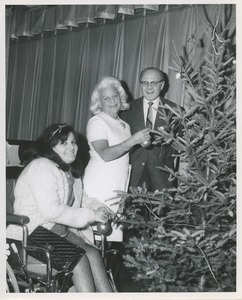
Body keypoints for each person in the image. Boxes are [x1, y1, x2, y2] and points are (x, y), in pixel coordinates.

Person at [7, 123, 115, 292]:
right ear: (51, 146)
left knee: (93, 254)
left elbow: (82, 200)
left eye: (73, 142)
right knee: (79, 260)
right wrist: (92, 215)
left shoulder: (70, 171)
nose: (71, 147)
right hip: (30, 234)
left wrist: (100, 208)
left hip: (56, 233)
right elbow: (52, 211)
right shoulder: (41, 166)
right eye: (63, 143)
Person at [83, 76, 151, 242]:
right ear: (99, 102)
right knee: (96, 238)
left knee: (111, 241)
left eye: (115, 96)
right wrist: (132, 141)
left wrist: (141, 143)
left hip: (117, 187)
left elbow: (122, 155)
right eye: (106, 98)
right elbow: (105, 154)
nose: (112, 101)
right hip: (100, 186)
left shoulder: (124, 125)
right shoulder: (97, 121)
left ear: (121, 98)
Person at [120, 67, 179, 192]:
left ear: (162, 85)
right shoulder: (128, 110)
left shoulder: (175, 110)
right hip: (133, 177)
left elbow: (179, 146)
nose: (149, 87)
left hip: (162, 177)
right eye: (145, 83)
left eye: (154, 83)